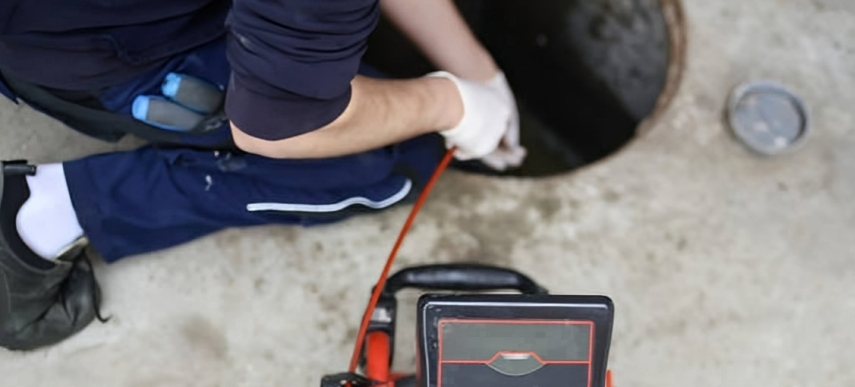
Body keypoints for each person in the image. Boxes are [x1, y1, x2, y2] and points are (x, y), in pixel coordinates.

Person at [0, 0, 526, 351]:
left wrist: (477, 71)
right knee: (396, 160)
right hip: (98, 52)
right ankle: (40, 213)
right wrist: (449, 106)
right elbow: (277, 125)